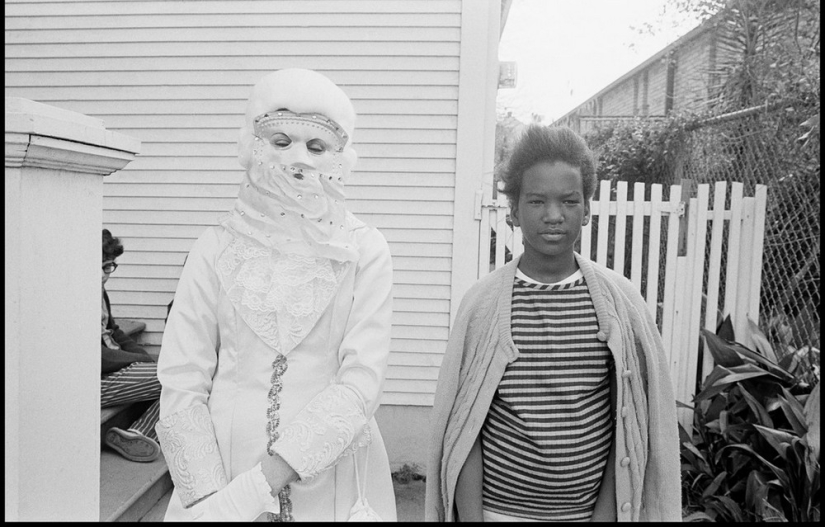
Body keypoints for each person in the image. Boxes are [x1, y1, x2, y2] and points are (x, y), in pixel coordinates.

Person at [155, 68, 398, 521]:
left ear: (340, 158)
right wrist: (216, 504)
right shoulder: (214, 247)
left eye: (317, 145)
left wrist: (262, 483)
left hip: (331, 481)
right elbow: (182, 377)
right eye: (281, 140)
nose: (298, 158)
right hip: (219, 478)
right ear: (252, 146)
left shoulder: (365, 250)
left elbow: (362, 379)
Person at [425, 125, 682, 522]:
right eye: (536, 201)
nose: (553, 216)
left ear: (587, 209)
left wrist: (603, 515)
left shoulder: (619, 305)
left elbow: (628, 422)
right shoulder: (482, 306)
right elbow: (464, 428)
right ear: (513, 210)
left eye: (569, 200)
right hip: (497, 514)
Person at [100, 228, 163, 462]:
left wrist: (142, 356)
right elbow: (95, 357)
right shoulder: (70, 297)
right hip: (95, 382)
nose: (105, 275)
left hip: (117, 368)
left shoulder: (98, 290)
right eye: (101, 266)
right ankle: (140, 433)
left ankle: (136, 434)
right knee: (175, 377)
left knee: (183, 374)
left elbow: (113, 330)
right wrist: (138, 360)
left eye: (109, 267)